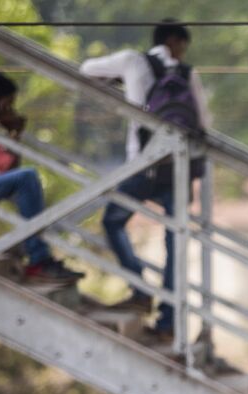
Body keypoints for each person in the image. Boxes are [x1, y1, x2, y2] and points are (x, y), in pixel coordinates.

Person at [80, 20, 212, 341]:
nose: (183, 52)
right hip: (176, 170)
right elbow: (205, 124)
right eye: (183, 44)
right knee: (174, 244)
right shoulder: (187, 74)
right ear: (173, 41)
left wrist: (120, 83)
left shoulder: (132, 61)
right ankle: (168, 325)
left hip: (142, 164)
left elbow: (85, 69)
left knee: (113, 221)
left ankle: (139, 291)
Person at [0, 72, 81, 286]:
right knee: (27, 177)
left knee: (25, 179)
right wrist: (15, 132)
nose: (11, 110)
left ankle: (35, 253)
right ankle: (39, 259)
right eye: (8, 104)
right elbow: (9, 167)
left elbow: (5, 169)